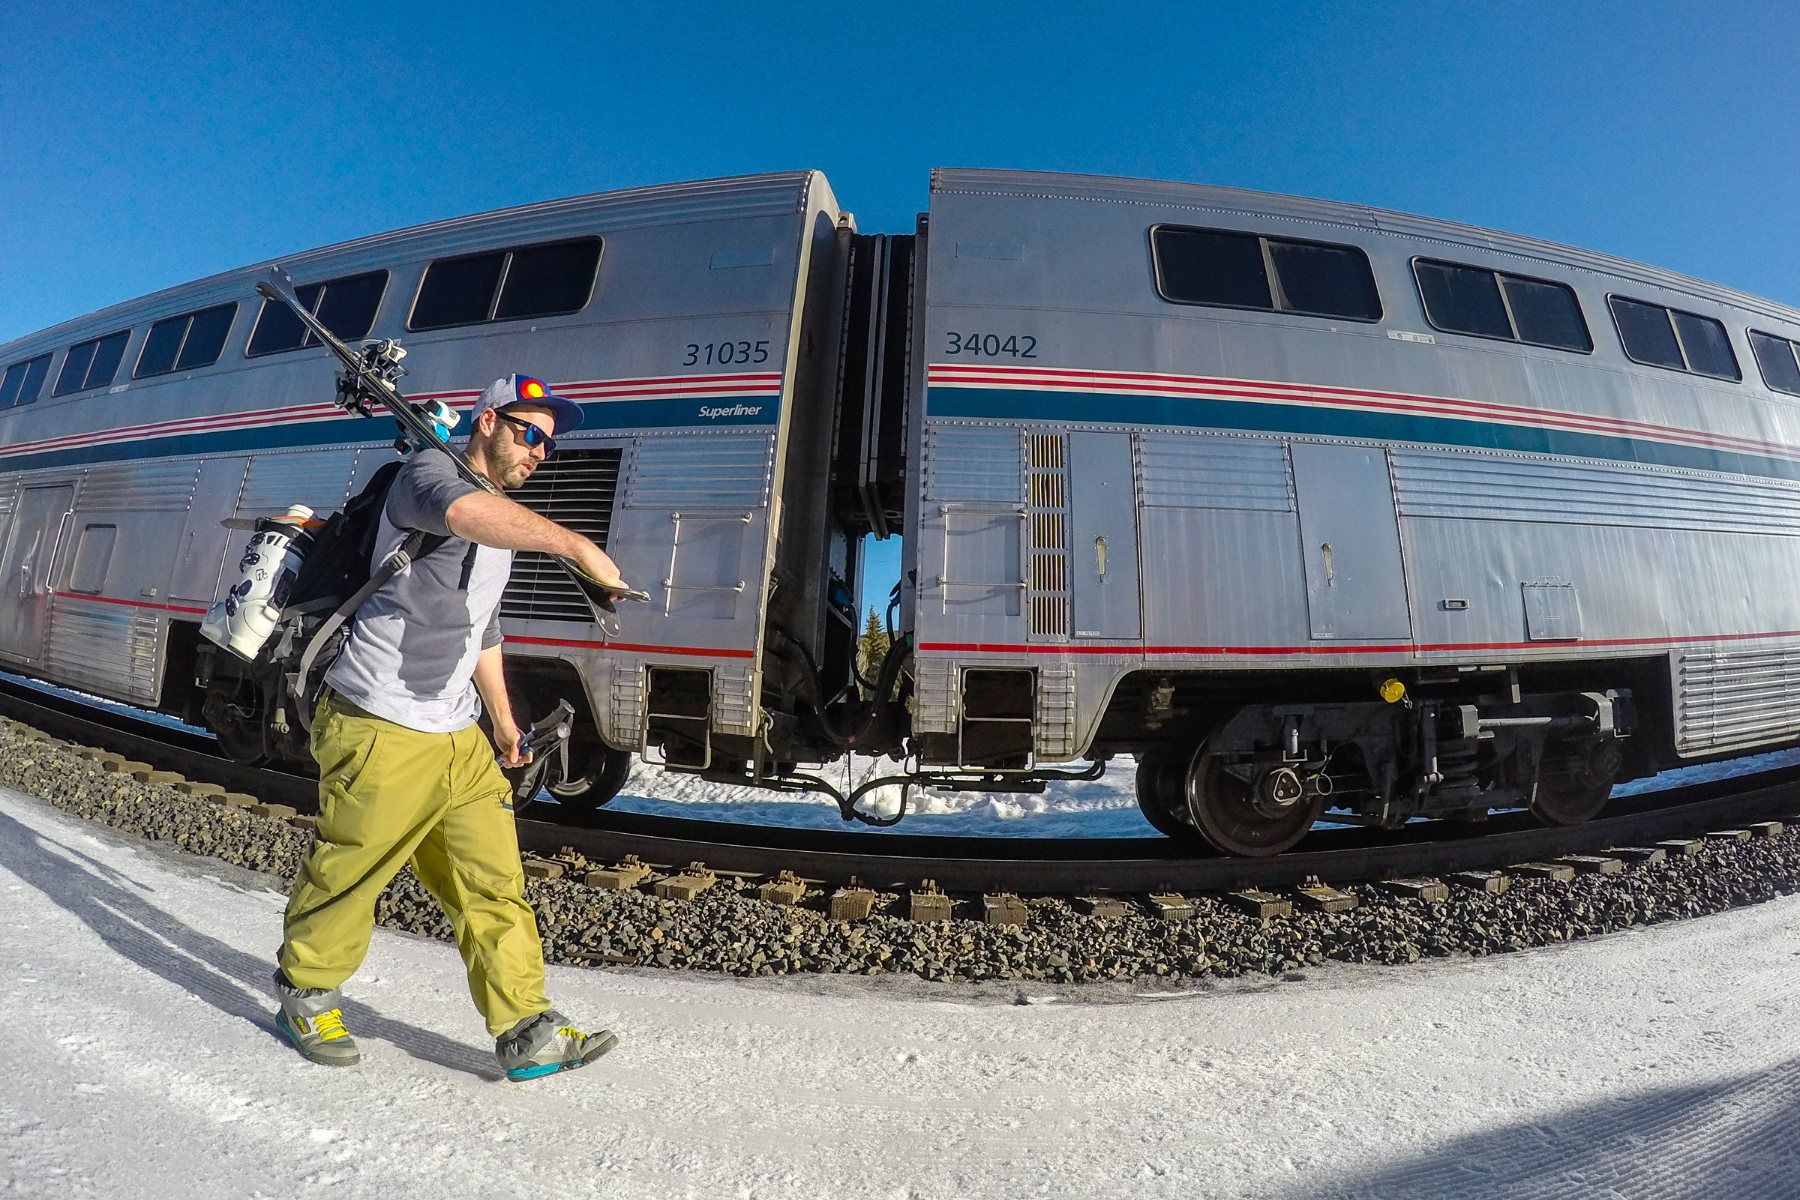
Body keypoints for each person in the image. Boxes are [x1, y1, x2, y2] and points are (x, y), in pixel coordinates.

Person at [271, 373, 628, 1081]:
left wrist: (501, 721)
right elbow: (460, 515)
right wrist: (576, 546)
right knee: (353, 872)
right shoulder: (429, 476)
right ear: (488, 421)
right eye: (529, 434)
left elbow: (480, 627)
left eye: (547, 446)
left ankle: (526, 1027)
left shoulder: (500, 509)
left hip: (457, 735)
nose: (539, 453)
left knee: (491, 882)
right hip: (380, 722)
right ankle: (306, 994)